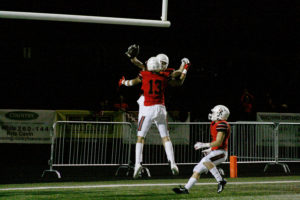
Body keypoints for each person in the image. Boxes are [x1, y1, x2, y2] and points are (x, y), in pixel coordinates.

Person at [119, 56, 190, 179]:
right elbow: (178, 80)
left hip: (147, 109)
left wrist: (123, 82)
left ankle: (137, 164)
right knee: (165, 137)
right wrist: (184, 67)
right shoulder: (164, 76)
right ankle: (172, 163)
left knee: (140, 137)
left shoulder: (144, 74)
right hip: (160, 109)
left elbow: (132, 82)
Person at [172, 105, 231, 194]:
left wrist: (204, 145)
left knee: (206, 161)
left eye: (214, 112)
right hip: (216, 151)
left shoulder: (222, 124)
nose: (212, 114)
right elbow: (217, 142)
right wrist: (210, 149)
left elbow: (219, 142)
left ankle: (221, 181)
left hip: (221, 153)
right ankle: (186, 189)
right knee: (197, 169)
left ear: (220, 114)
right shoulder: (215, 123)